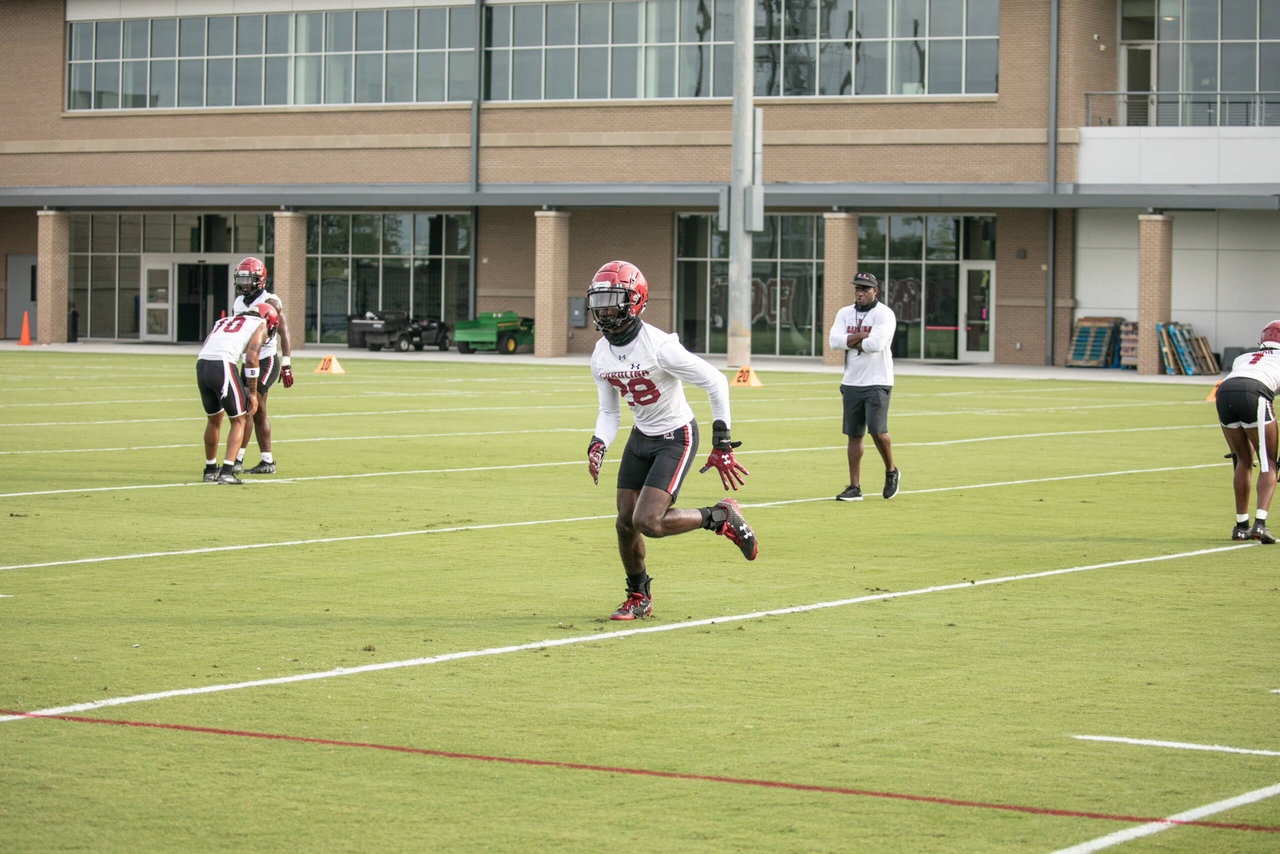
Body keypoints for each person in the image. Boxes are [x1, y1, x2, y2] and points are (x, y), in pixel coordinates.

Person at [586, 260, 757, 621]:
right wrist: (598, 441)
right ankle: (638, 596)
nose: (604, 309)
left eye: (613, 299)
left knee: (649, 521)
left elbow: (715, 380)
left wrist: (721, 440)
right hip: (640, 436)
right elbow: (611, 412)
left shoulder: (660, 346)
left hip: (675, 436)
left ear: (635, 301)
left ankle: (719, 515)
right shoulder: (600, 353)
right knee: (624, 523)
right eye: (600, 300)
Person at [829, 271, 900, 501]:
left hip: (878, 381)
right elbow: (833, 341)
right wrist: (861, 334)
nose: (860, 292)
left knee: (878, 432)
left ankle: (891, 471)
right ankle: (854, 487)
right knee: (853, 435)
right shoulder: (844, 313)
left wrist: (851, 341)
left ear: (874, 291)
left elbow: (875, 345)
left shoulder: (884, 314)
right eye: (857, 288)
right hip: (851, 382)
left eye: (864, 289)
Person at [196, 304, 278, 485]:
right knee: (240, 419)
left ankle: (210, 470)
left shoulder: (224, 320)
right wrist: (253, 393)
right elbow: (251, 358)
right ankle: (226, 471)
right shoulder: (261, 324)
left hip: (202, 363)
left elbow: (207, 343)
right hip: (223, 365)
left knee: (213, 420)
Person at [1216, 320, 1280, 544]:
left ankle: (1241, 527)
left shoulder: (1242, 357)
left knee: (1242, 460)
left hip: (1223, 393)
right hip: (1255, 393)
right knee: (1269, 461)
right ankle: (1260, 525)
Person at [230, 257, 293, 475]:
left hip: (265, 358)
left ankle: (236, 459)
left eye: (249, 279)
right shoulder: (238, 303)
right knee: (259, 411)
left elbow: (283, 331)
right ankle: (267, 461)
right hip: (249, 357)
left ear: (260, 279)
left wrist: (286, 363)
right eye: (242, 278)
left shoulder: (271, 300)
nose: (245, 283)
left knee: (250, 405)